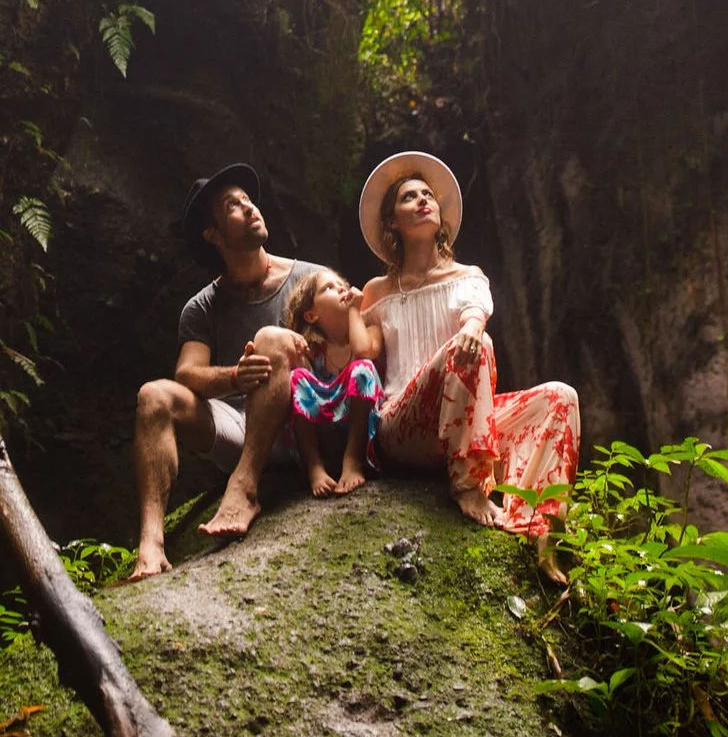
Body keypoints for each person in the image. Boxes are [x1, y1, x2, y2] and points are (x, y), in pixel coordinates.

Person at [358, 150, 579, 582]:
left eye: (428, 195)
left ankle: (540, 526)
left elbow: (475, 312)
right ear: (393, 224)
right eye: (409, 197)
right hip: (402, 426)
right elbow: (362, 354)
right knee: (470, 346)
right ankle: (469, 486)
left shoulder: (467, 276)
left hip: (462, 416)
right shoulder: (377, 291)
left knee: (559, 396)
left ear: (440, 216)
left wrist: (473, 326)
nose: (423, 200)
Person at [130, 163, 315, 578]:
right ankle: (151, 544)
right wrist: (235, 376)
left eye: (249, 200)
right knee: (152, 396)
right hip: (243, 427)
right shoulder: (201, 308)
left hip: (307, 423)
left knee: (272, 338)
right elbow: (187, 375)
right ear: (213, 234)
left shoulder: (311, 279)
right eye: (234, 205)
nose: (251, 208)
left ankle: (244, 488)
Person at [281, 267, 381, 499]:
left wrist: (355, 311)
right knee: (296, 378)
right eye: (328, 287)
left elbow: (363, 352)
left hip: (361, 430)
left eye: (342, 284)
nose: (340, 288)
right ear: (311, 315)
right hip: (326, 434)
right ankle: (314, 466)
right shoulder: (313, 350)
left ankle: (353, 459)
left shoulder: (371, 331)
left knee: (362, 368)